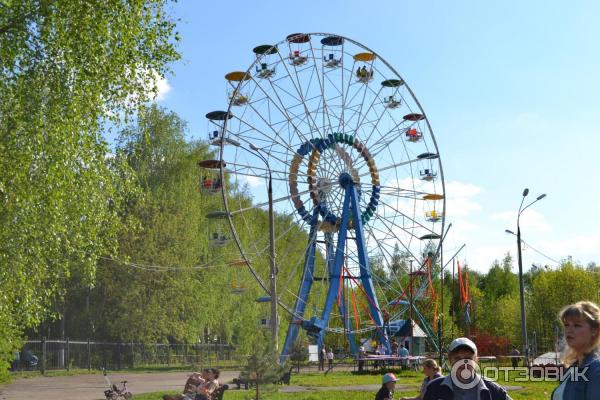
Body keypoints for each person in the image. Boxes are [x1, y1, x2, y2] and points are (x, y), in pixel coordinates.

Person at [422, 337, 511, 400]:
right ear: (449, 360)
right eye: (458, 359)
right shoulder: (434, 388)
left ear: (476, 360)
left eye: (468, 359)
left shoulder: (493, 390)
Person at [551, 301, 600, 400]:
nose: (569, 330)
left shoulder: (596, 371)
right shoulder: (572, 368)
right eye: (566, 325)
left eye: (577, 325)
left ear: (594, 330)